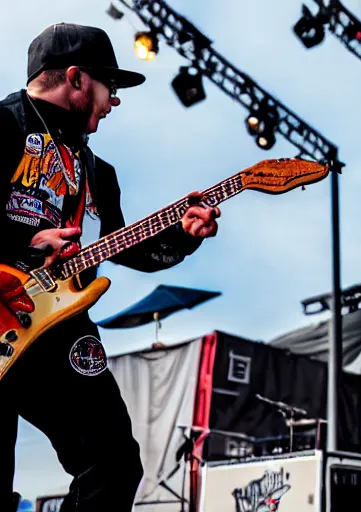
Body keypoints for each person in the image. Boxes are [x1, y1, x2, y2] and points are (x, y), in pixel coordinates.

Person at [0, 23, 220, 511]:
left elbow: (122, 247)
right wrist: (23, 239)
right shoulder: (3, 125)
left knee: (115, 461)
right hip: (1, 311)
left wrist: (182, 237)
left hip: (60, 327)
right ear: (76, 78)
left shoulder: (99, 173)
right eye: (110, 87)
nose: (114, 101)